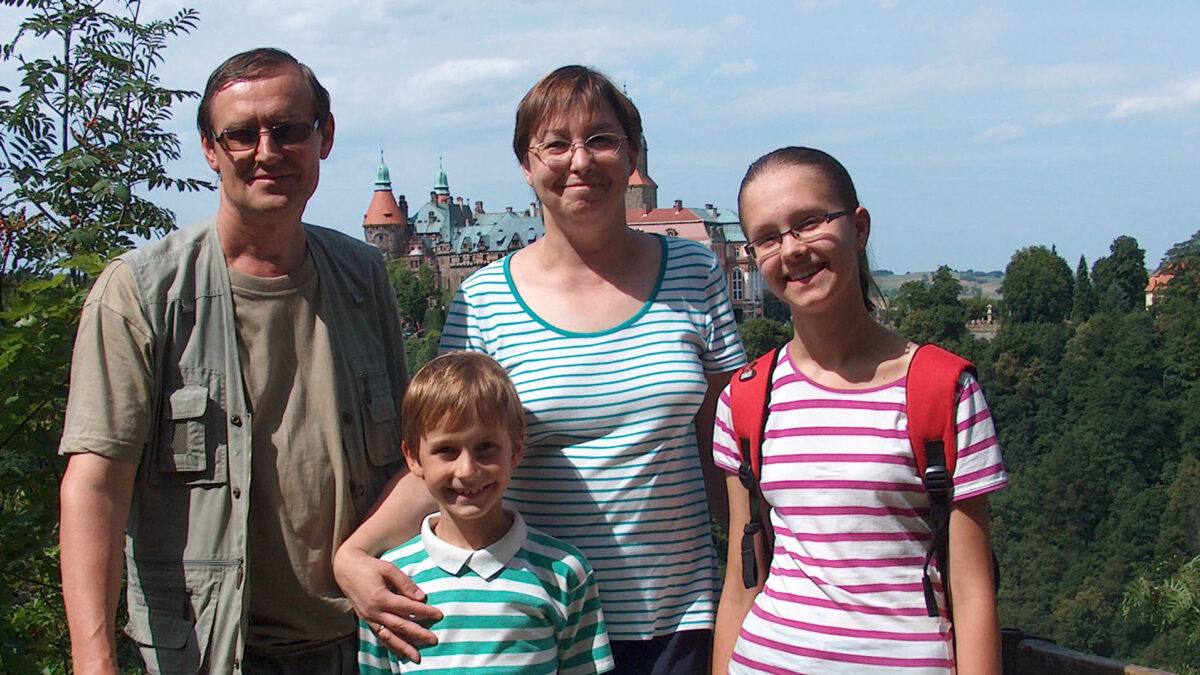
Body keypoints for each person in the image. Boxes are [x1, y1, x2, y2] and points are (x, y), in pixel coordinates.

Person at [335, 65, 747, 674]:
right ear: (526, 165)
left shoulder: (695, 271)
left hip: (675, 621)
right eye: (556, 144)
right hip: (527, 624)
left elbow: (729, 454)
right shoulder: (484, 300)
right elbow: (445, 455)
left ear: (632, 154)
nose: (580, 160)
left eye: (601, 139)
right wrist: (355, 553)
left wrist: (760, 575)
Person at [57, 47, 435, 674]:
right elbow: (95, 485)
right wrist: (93, 662)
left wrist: (356, 557)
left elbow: (416, 460)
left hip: (361, 645)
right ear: (211, 149)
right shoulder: (143, 292)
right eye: (241, 134)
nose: (266, 151)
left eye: (288, 130)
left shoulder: (363, 276)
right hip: (207, 652)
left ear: (324, 137)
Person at [710, 147, 1007, 674]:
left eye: (809, 223)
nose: (792, 249)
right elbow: (742, 584)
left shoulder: (942, 390)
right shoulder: (746, 398)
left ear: (859, 227)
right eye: (768, 238)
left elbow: (972, 591)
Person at [357, 351, 614, 674]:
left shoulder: (563, 572)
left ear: (516, 449)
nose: (467, 470)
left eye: (485, 447)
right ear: (413, 458)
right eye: (446, 450)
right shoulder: (389, 583)